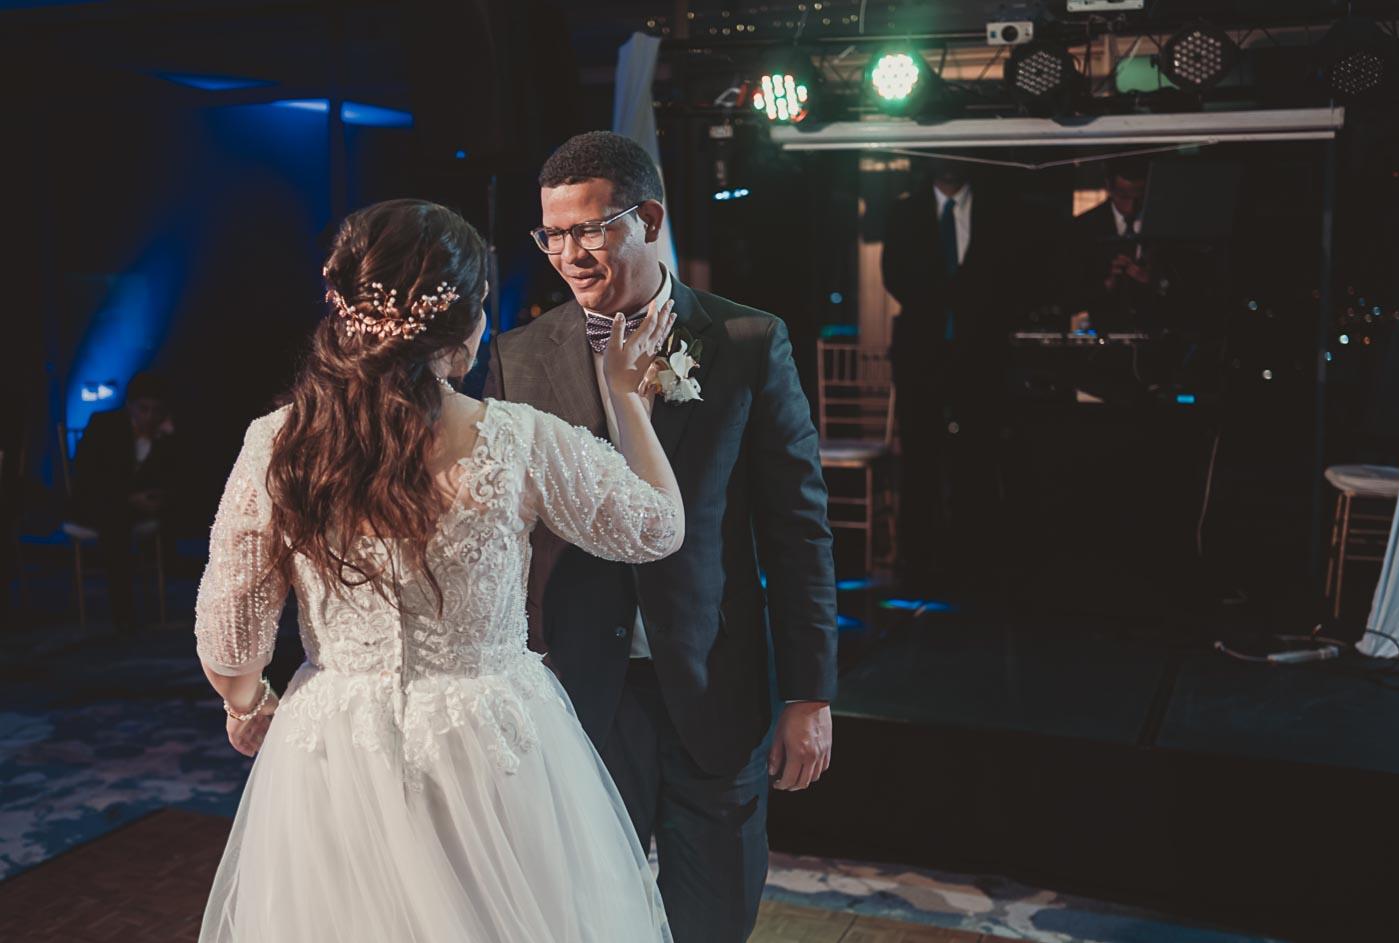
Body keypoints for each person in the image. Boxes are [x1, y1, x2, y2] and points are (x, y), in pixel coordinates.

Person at [194, 199, 684, 941]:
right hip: (488, 738)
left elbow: (230, 636)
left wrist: (248, 705)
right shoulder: (517, 439)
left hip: (336, 743)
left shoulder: (277, 443)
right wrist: (627, 399)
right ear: (463, 327)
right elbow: (656, 528)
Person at [486, 131, 837, 943]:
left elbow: (797, 531)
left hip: (717, 686)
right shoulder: (519, 357)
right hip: (580, 691)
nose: (568, 255)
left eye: (587, 230)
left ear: (647, 219)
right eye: (552, 235)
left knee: (715, 922)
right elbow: (507, 534)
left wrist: (809, 692)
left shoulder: (747, 340)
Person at [881, 158, 1028, 589]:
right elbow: (895, 276)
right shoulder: (905, 212)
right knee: (920, 457)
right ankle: (918, 559)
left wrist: (972, 303)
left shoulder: (995, 211)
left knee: (976, 456)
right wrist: (941, 297)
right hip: (921, 353)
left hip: (979, 352)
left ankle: (972, 559)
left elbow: (1007, 276)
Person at [68, 370, 178, 632]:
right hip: (102, 503)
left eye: (156, 411)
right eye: (143, 409)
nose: (149, 417)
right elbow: (88, 476)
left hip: (137, 507)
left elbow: (174, 478)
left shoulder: (162, 434)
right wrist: (129, 498)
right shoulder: (105, 425)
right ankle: (123, 613)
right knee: (116, 519)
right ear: (130, 406)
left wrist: (169, 440)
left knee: (171, 511)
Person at [1068, 158, 1164, 335]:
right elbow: (1070, 294)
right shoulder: (1084, 228)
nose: (1131, 206)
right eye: (1124, 196)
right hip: (1105, 335)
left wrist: (1154, 281)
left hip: (1156, 332)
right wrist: (1106, 285)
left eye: (1139, 196)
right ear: (1109, 188)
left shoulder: (1163, 224)